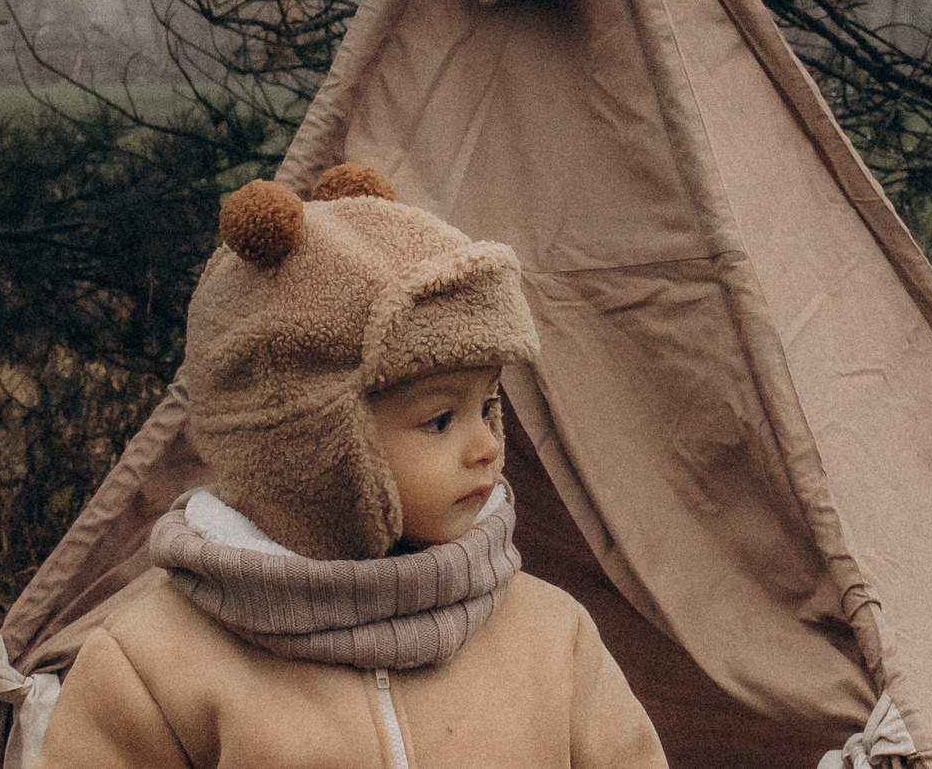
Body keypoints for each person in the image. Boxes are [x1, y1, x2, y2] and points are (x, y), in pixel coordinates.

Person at [37, 163, 669, 769]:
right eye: (440, 420)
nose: (486, 447)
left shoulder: (551, 635)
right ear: (304, 445)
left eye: (486, 406)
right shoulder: (153, 665)